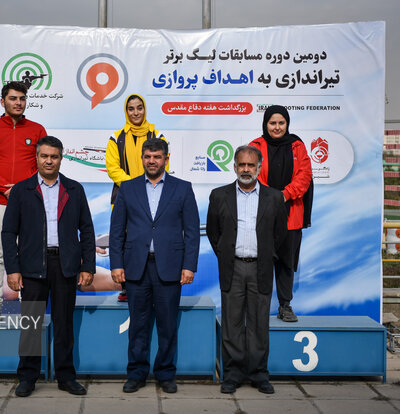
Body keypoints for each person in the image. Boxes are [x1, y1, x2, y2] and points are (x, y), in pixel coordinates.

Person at [2, 136, 95, 397]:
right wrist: (12, 269)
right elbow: (9, 232)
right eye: (44, 156)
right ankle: (28, 377)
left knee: (65, 324)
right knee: (31, 324)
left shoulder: (75, 189)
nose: (49, 161)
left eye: (54, 156)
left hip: (65, 266)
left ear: (61, 158)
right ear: (37, 158)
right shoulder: (22, 190)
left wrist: (88, 265)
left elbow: (87, 230)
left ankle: (66, 376)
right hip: (32, 267)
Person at [109, 138, 199, 394]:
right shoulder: (127, 188)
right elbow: (116, 232)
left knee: (167, 325)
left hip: (169, 267)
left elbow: (191, 232)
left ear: (166, 159)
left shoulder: (183, 188)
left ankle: (165, 374)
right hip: (136, 267)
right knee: (138, 324)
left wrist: (189, 266)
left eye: (157, 157)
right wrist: (116, 264)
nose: (152, 161)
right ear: (143, 158)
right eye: (147, 156)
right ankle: (136, 373)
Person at [207, 145, 287, 395]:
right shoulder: (219, 195)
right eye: (241, 164)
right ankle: (232, 375)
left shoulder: (274, 197)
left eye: (251, 165)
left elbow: (280, 234)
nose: (246, 169)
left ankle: (259, 375)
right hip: (232, 267)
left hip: (260, 268)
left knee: (259, 324)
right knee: (231, 324)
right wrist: (225, 254)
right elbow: (213, 232)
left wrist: (267, 255)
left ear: (259, 168)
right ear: (234, 166)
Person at [0, 81, 47, 319]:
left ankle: (24, 302)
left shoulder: (37, 129)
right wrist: (6, 190)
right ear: (3, 101)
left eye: (22, 99)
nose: (18, 103)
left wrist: (20, 191)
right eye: (13, 98)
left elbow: (43, 165)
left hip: (27, 201)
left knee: (26, 254)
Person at [249, 105, 313, 322]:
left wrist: (284, 195)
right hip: (262, 216)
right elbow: (251, 173)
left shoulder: (298, 146)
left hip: (291, 215)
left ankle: (285, 306)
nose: (277, 127)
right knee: (261, 262)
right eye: (272, 123)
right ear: (265, 124)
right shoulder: (255, 146)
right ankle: (259, 307)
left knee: (286, 264)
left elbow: (304, 177)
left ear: (287, 124)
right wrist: (270, 197)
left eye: (281, 123)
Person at [106, 94, 169, 302]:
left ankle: (155, 283)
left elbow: (163, 165)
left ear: (145, 109)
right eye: (131, 109)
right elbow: (112, 168)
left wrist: (144, 186)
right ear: (126, 111)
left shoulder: (157, 134)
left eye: (139, 108)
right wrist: (133, 188)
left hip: (154, 192)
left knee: (152, 236)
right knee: (124, 239)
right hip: (124, 195)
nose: (135, 113)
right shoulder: (116, 137)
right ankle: (126, 287)